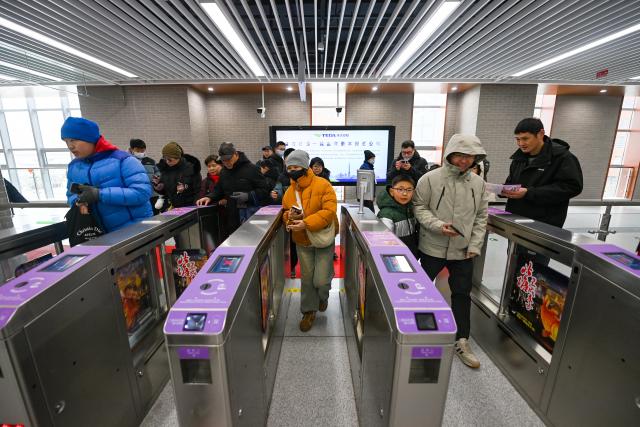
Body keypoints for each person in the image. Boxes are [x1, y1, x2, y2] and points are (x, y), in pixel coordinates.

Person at [413, 134, 488, 369]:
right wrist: (437, 226)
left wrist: (475, 245)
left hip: (463, 250)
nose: (465, 161)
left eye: (471, 156)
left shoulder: (478, 183)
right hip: (432, 246)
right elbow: (419, 206)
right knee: (421, 292)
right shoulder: (429, 179)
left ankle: (461, 340)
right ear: (450, 154)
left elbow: (481, 216)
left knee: (462, 294)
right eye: (461, 155)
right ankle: (417, 334)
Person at [281, 150, 338, 332]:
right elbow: (284, 212)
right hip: (302, 240)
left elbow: (329, 212)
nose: (292, 170)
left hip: (322, 239)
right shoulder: (289, 191)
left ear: (305, 167)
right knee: (306, 279)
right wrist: (288, 217)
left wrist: (306, 223)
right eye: (289, 167)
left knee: (320, 280)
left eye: (296, 167)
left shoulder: (323, 185)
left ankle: (323, 295)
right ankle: (308, 311)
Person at [63, 117, 153, 232]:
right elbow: (70, 195)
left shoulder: (123, 160)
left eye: (74, 140)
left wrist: (99, 194)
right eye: (66, 141)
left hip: (134, 232)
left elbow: (142, 193)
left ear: (89, 138)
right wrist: (79, 201)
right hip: (96, 233)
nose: (70, 146)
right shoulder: (74, 167)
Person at [502, 118, 583, 228]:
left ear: (540, 134)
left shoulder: (562, 157)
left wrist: (529, 192)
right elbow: (512, 181)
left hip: (544, 223)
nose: (521, 143)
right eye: (518, 139)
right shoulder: (519, 158)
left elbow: (572, 187)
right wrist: (503, 189)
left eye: (525, 139)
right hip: (516, 219)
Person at [196, 142, 269, 231]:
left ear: (236, 154)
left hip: (250, 215)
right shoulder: (224, 172)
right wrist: (209, 197)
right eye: (223, 160)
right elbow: (219, 190)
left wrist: (248, 196)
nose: (226, 163)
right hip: (232, 217)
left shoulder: (252, 169)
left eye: (229, 159)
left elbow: (265, 190)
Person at [376, 175, 419, 257]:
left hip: (411, 255)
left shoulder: (411, 209)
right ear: (391, 192)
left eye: (409, 190)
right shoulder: (386, 214)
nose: (405, 193)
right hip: (396, 257)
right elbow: (385, 242)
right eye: (400, 189)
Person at [153, 142, 201, 211]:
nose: (167, 162)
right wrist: (158, 188)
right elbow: (165, 192)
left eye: (170, 159)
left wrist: (194, 209)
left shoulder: (191, 168)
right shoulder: (165, 170)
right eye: (165, 158)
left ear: (178, 157)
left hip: (189, 207)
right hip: (173, 208)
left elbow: (198, 191)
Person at [129, 138, 160, 213]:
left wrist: (157, 177)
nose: (140, 152)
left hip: (152, 194)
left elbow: (158, 171)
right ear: (131, 149)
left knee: (155, 214)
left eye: (142, 150)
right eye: (138, 150)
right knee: (142, 215)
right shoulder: (128, 161)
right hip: (137, 194)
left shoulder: (150, 161)